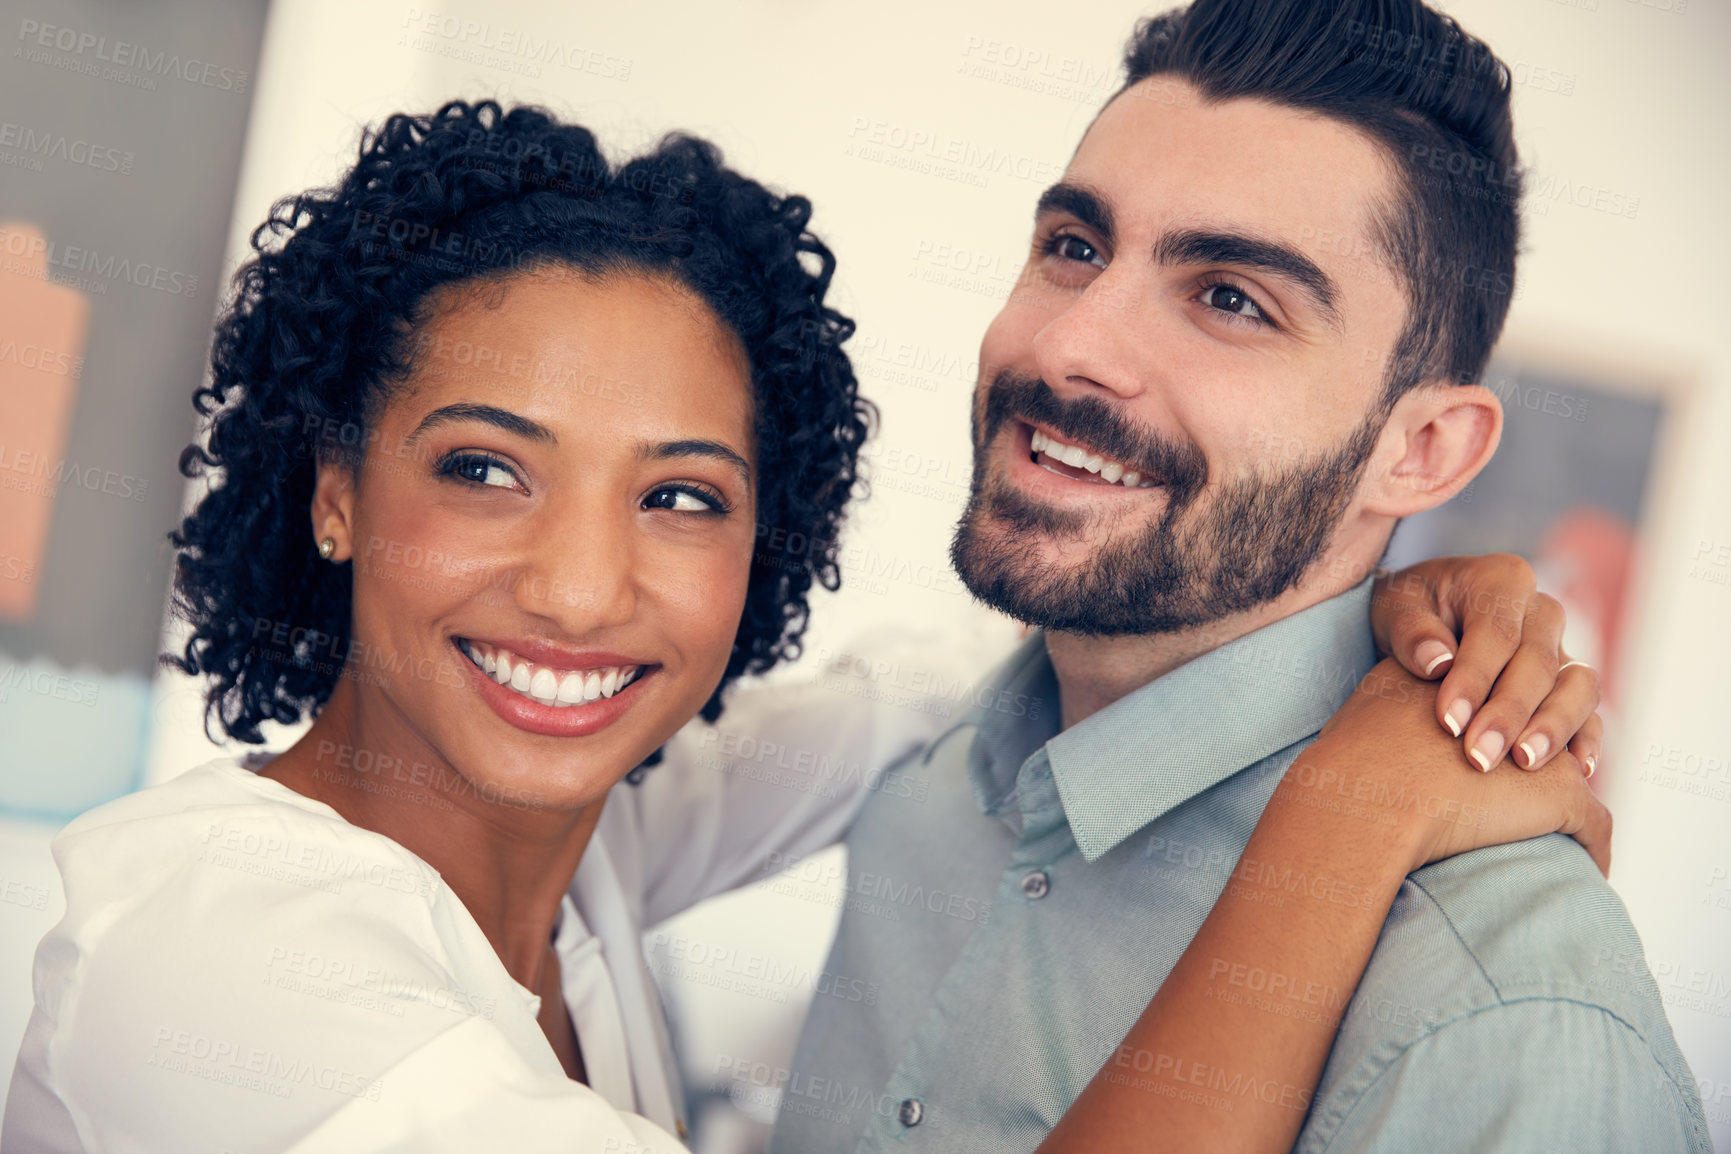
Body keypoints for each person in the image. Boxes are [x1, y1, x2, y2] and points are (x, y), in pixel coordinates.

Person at [2, 98, 1604, 1154]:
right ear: (333, 491)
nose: (576, 588)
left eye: (682, 496)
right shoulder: (217, 947)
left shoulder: (583, 839)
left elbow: (928, 691)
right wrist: (1356, 799)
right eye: (484, 468)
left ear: (762, 543)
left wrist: (1381, 592)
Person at [755, 1, 1711, 1152]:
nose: (1070, 346)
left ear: (1420, 450)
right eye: (1075, 247)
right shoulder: (918, 787)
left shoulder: (1505, 1016)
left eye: (1230, 299)